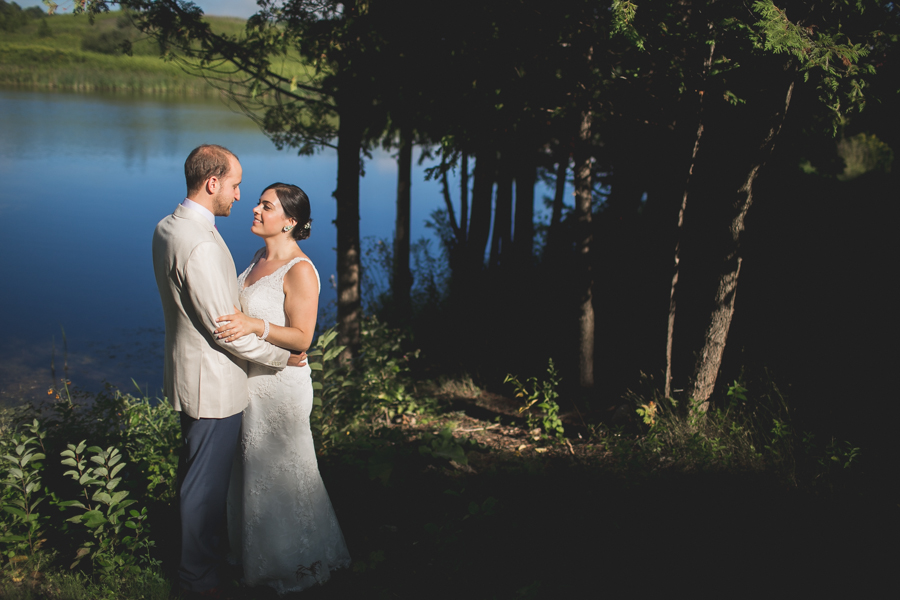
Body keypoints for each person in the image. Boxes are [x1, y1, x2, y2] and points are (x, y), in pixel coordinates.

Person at [152, 145, 305, 598]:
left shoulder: (171, 226)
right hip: (212, 383)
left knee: (197, 478)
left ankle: (205, 565)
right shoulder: (198, 243)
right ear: (212, 182)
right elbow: (225, 331)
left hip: (191, 374)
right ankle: (198, 581)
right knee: (203, 490)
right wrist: (284, 357)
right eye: (236, 185)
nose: (241, 197)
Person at [213, 182, 350, 594]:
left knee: (284, 469)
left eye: (266, 206)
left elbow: (303, 338)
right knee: (253, 470)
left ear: (290, 222)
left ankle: (296, 562)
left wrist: (255, 325)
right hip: (252, 382)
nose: (254, 209)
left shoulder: (301, 270)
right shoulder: (258, 258)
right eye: (257, 203)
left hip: (282, 386)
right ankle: (255, 554)